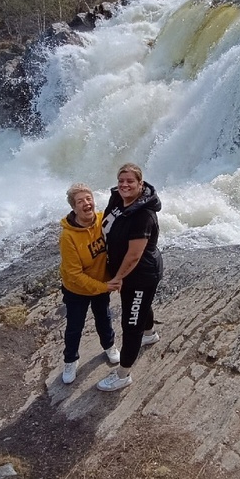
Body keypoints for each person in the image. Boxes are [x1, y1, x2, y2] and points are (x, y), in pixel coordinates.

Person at [96, 163, 163, 392]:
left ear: (140, 184)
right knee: (141, 307)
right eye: (121, 180)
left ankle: (123, 374)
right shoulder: (117, 198)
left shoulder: (143, 215)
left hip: (139, 275)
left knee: (131, 322)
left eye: (130, 181)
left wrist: (117, 277)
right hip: (128, 272)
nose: (124, 185)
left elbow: (134, 256)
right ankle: (150, 334)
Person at [58, 183, 119, 385]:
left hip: (101, 282)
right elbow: (74, 274)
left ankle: (109, 346)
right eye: (80, 201)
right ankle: (70, 360)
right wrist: (104, 287)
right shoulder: (68, 237)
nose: (86, 204)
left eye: (88, 199)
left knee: (104, 317)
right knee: (75, 325)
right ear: (74, 208)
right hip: (76, 289)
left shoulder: (103, 220)